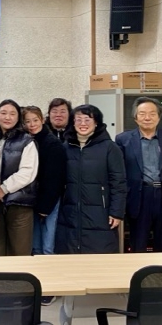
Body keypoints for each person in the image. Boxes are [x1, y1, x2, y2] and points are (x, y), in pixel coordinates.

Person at [115, 97, 162, 252]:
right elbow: (118, 173)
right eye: (142, 114)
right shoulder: (123, 139)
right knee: (138, 243)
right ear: (135, 118)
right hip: (138, 196)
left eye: (152, 114)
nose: (147, 117)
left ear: (158, 117)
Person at [56, 104, 127, 254]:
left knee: (99, 257)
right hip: (70, 213)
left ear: (96, 123)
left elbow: (119, 182)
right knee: (70, 256)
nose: (83, 124)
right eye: (78, 120)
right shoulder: (65, 147)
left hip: (101, 214)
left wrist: (117, 212)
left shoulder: (109, 148)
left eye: (87, 120)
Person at [0, 99, 39, 257]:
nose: (7, 117)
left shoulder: (26, 141)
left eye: (12, 114)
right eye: (3, 113)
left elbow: (28, 171)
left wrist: (3, 189)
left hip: (19, 203)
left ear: (18, 118)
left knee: (20, 251)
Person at [22, 106, 67, 258]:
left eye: (35, 120)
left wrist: (46, 206)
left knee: (48, 246)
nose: (32, 124)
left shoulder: (52, 143)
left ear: (42, 120)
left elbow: (55, 178)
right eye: (28, 121)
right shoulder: (28, 141)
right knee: (35, 246)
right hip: (32, 198)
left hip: (50, 199)